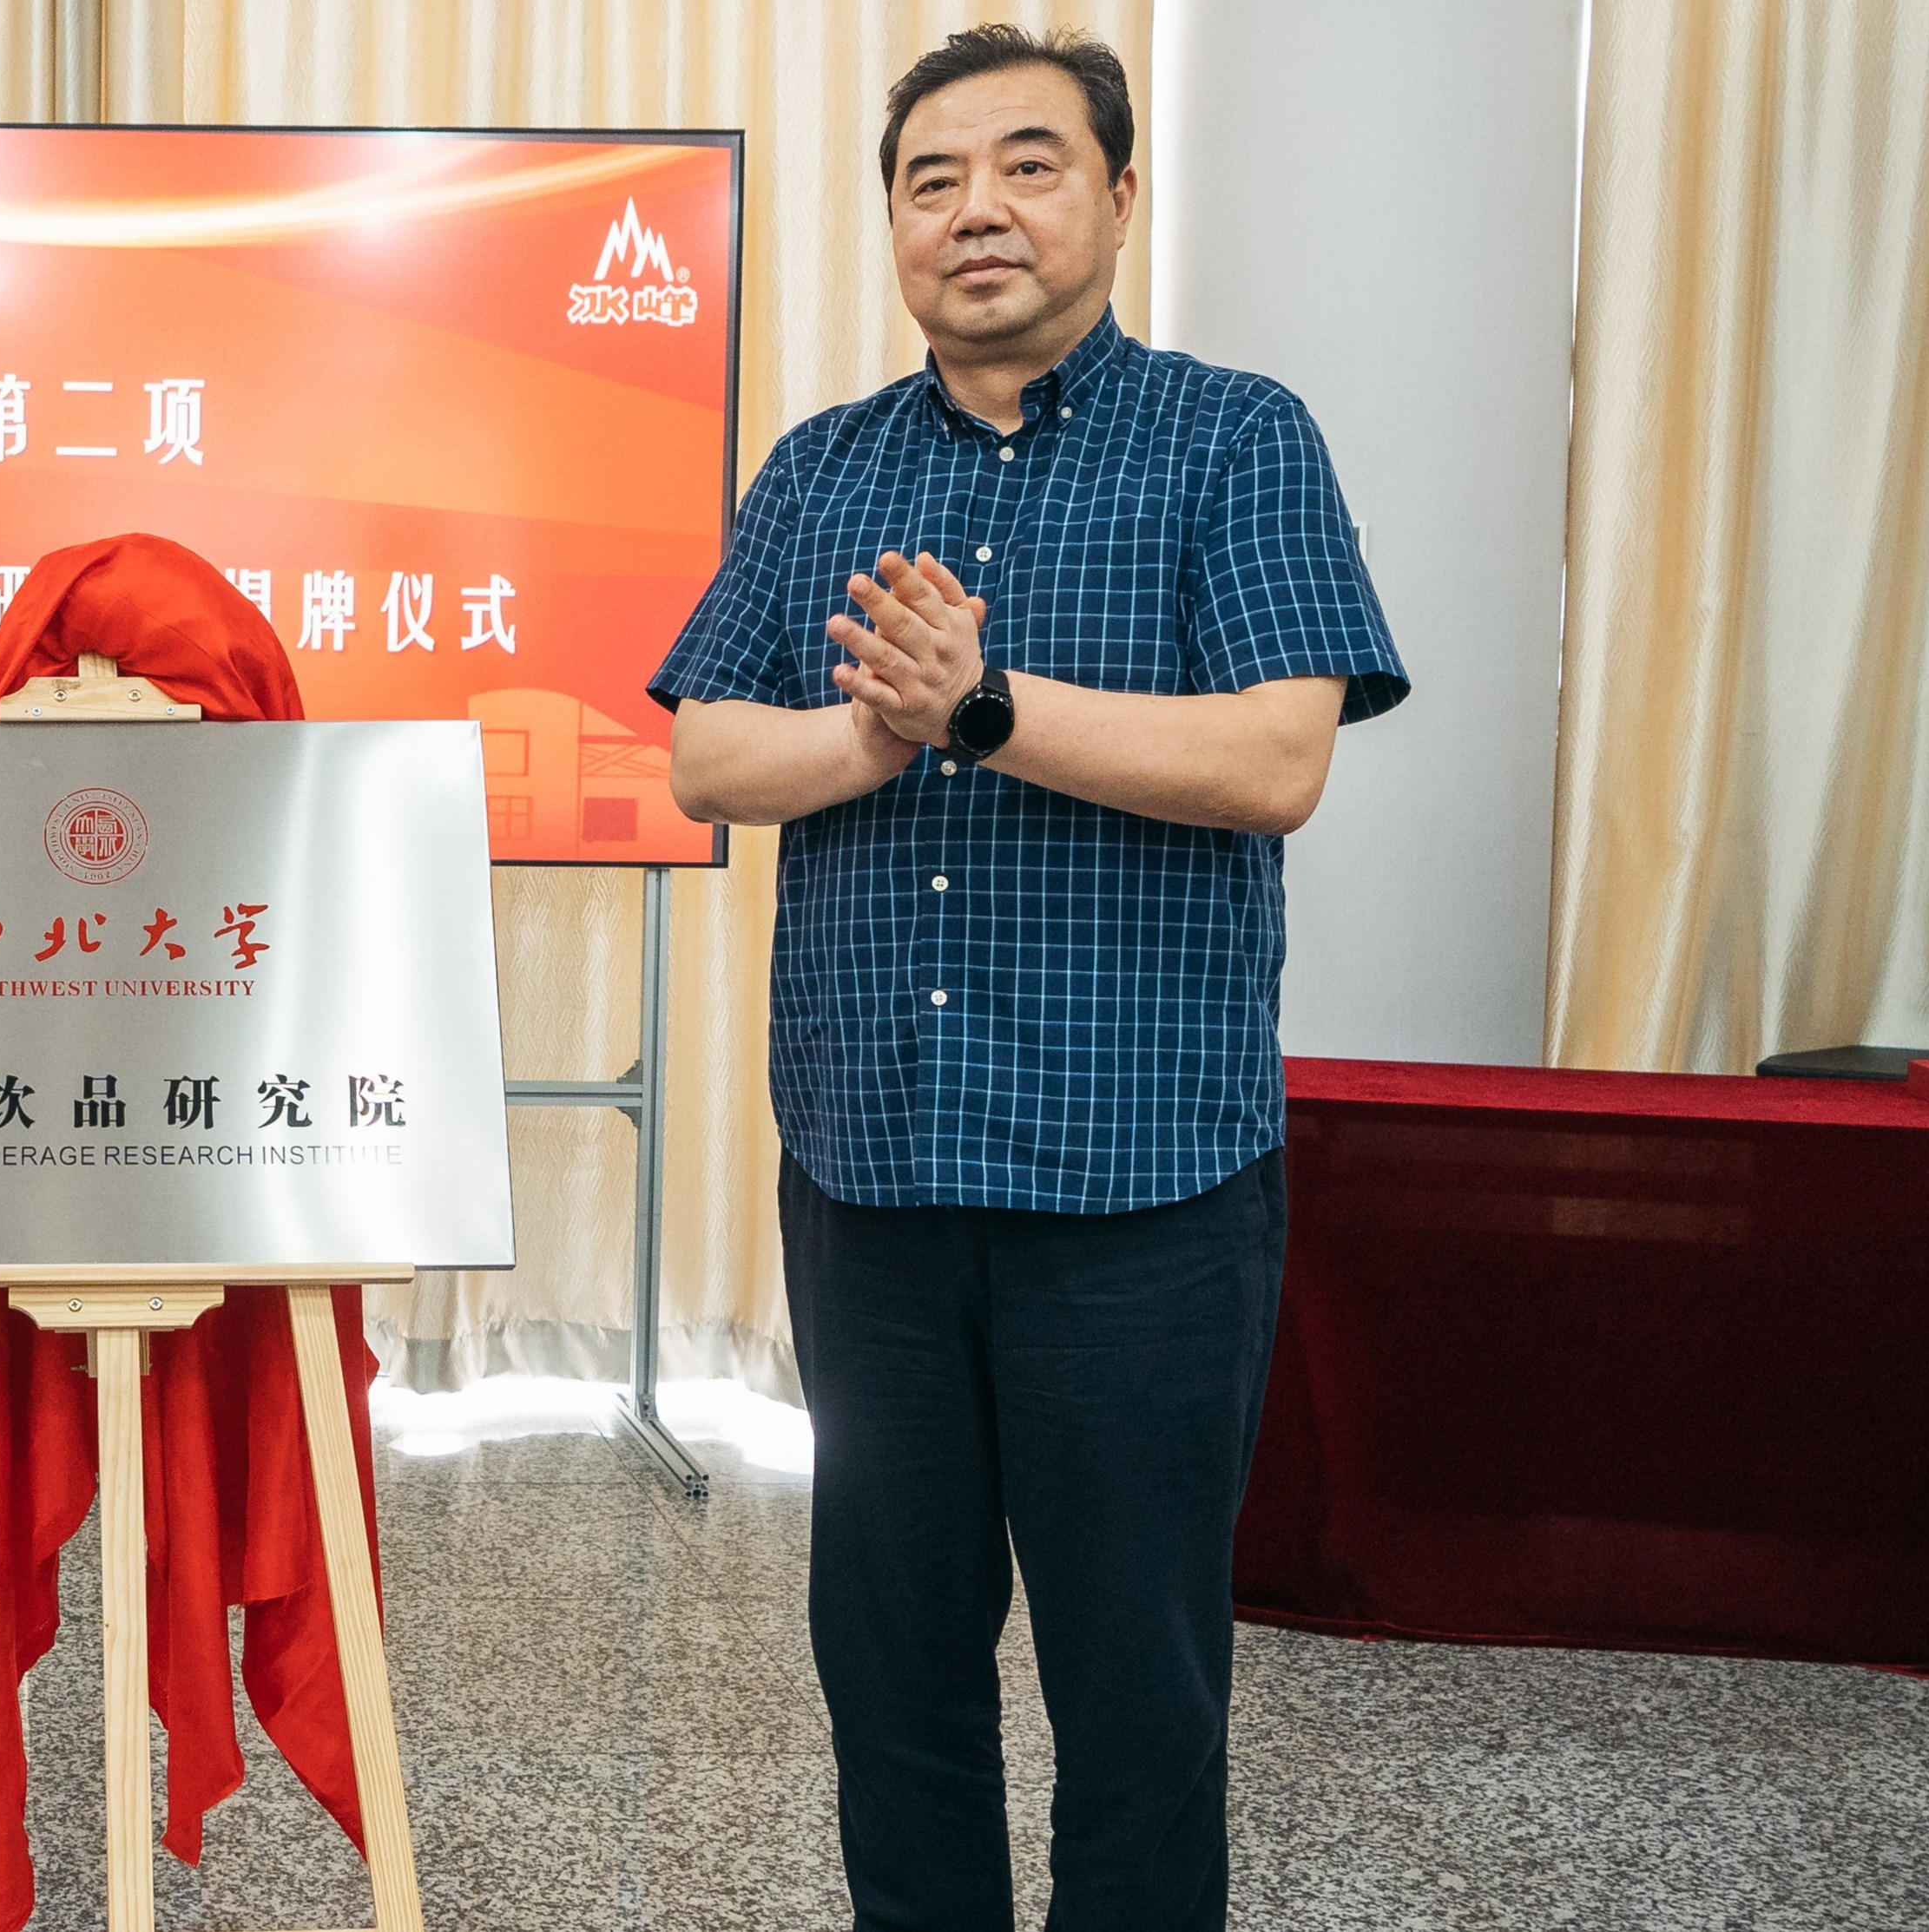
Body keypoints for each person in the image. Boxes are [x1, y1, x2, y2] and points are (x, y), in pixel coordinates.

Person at [653, 26, 1408, 1932]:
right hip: (874, 1187)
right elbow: (708, 755)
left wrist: (984, 708)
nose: (976, 209)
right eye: (933, 180)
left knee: (1137, 1700)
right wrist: (879, 735)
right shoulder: (822, 469)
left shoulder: (1235, 438)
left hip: (1142, 1200)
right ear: (896, 226)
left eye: (1029, 165)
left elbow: (1277, 759)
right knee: (892, 1683)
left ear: (1121, 197)